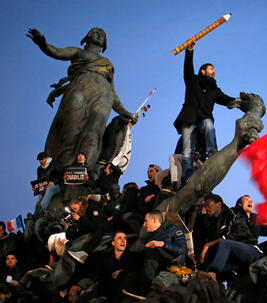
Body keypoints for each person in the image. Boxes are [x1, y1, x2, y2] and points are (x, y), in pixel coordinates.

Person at [26, 27, 137, 179]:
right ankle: (61, 175)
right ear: (86, 37)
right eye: (95, 32)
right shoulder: (78, 52)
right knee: (70, 132)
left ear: (105, 43)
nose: (98, 34)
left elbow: (113, 94)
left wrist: (126, 112)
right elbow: (57, 52)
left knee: (93, 135)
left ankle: (85, 174)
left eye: (102, 35)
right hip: (79, 90)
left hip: (103, 98)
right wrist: (43, 44)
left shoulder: (107, 64)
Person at [173, 37, 237, 183]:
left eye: (214, 69)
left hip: (204, 118)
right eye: (211, 68)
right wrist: (189, 50)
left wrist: (240, 102)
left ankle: (212, 151)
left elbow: (227, 100)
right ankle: (187, 177)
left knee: (208, 124)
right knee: (187, 151)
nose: (214, 70)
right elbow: (188, 67)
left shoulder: (214, 89)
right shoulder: (192, 80)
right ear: (203, 71)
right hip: (189, 119)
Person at [87, 231, 142, 302]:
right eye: (119, 238)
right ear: (113, 243)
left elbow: (136, 271)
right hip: (104, 291)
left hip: (122, 294)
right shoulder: (104, 257)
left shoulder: (134, 257)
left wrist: (123, 270)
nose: (123, 240)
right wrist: (102, 295)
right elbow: (102, 278)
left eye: (125, 238)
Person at [141, 211, 187, 289]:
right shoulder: (151, 237)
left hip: (173, 265)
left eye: (146, 221)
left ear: (154, 220)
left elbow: (182, 250)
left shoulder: (174, 230)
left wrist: (163, 244)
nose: (144, 224)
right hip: (158, 266)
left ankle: (147, 287)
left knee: (152, 250)